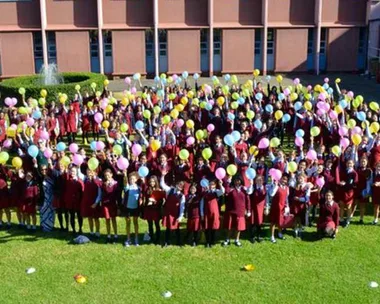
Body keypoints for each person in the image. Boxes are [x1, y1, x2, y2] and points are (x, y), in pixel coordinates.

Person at [222, 176, 250, 247]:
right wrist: (227, 183)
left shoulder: (244, 189)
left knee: (239, 227)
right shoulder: (231, 189)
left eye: (238, 180)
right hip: (231, 211)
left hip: (240, 211)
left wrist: (248, 210)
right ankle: (227, 239)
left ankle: (237, 240)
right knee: (229, 226)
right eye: (235, 180)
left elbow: (248, 201)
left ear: (241, 181)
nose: (237, 182)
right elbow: (226, 192)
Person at [160, 169, 185, 247]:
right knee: (168, 228)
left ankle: (178, 241)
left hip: (175, 213)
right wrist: (163, 176)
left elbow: (182, 207)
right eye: (178, 185)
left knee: (176, 228)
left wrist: (180, 216)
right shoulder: (170, 190)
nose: (179, 187)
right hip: (168, 212)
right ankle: (167, 241)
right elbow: (162, 184)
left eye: (181, 186)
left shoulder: (182, 196)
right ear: (176, 185)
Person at [200, 180, 225, 248]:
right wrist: (202, 214)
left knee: (213, 227)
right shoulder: (205, 193)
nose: (211, 186)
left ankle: (212, 241)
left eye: (213, 185)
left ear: (215, 186)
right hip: (206, 212)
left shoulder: (216, 192)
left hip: (214, 212)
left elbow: (222, 191)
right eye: (210, 185)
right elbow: (201, 204)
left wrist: (221, 185)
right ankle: (207, 241)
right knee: (207, 227)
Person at [143, 175, 164, 245]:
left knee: (157, 224)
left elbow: (161, 201)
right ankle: (151, 238)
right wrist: (148, 201)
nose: (152, 183)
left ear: (156, 182)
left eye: (153, 182)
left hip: (156, 209)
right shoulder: (147, 189)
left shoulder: (159, 190)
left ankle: (158, 239)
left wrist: (155, 201)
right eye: (151, 182)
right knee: (150, 224)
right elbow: (145, 198)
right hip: (149, 209)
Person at [122, 171, 142, 247]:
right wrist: (125, 175)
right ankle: (128, 239)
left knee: (135, 223)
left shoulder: (139, 188)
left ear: (136, 179)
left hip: (136, 208)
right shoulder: (127, 187)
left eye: (133, 179)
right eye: (130, 179)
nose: (132, 180)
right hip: (127, 208)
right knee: (128, 223)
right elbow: (125, 181)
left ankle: (136, 239)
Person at [81, 169, 102, 238]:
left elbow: (99, 194)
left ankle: (97, 231)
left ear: (95, 172)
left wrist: (96, 203)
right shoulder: (85, 180)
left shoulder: (98, 181)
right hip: (87, 202)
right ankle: (91, 231)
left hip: (95, 202)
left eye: (91, 171)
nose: (89, 173)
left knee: (96, 218)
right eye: (88, 171)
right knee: (89, 217)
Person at [269, 174, 290, 243]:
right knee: (273, 222)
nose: (284, 180)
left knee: (280, 221)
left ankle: (279, 233)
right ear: (280, 179)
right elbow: (271, 194)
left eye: (286, 179)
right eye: (283, 179)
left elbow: (286, 198)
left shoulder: (287, 188)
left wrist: (287, 206)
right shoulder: (276, 186)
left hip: (282, 207)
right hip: (275, 207)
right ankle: (272, 236)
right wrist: (275, 186)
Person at [101, 169, 119, 244]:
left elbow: (117, 195)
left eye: (108, 175)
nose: (107, 176)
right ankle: (108, 235)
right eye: (105, 175)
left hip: (113, 203)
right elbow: (102, 194)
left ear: (111, 175)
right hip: (105, 204)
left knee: (113, 219)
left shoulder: (116, 183)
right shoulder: (103, 184)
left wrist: (118, 206)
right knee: (107, 219)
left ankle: (115, 235)